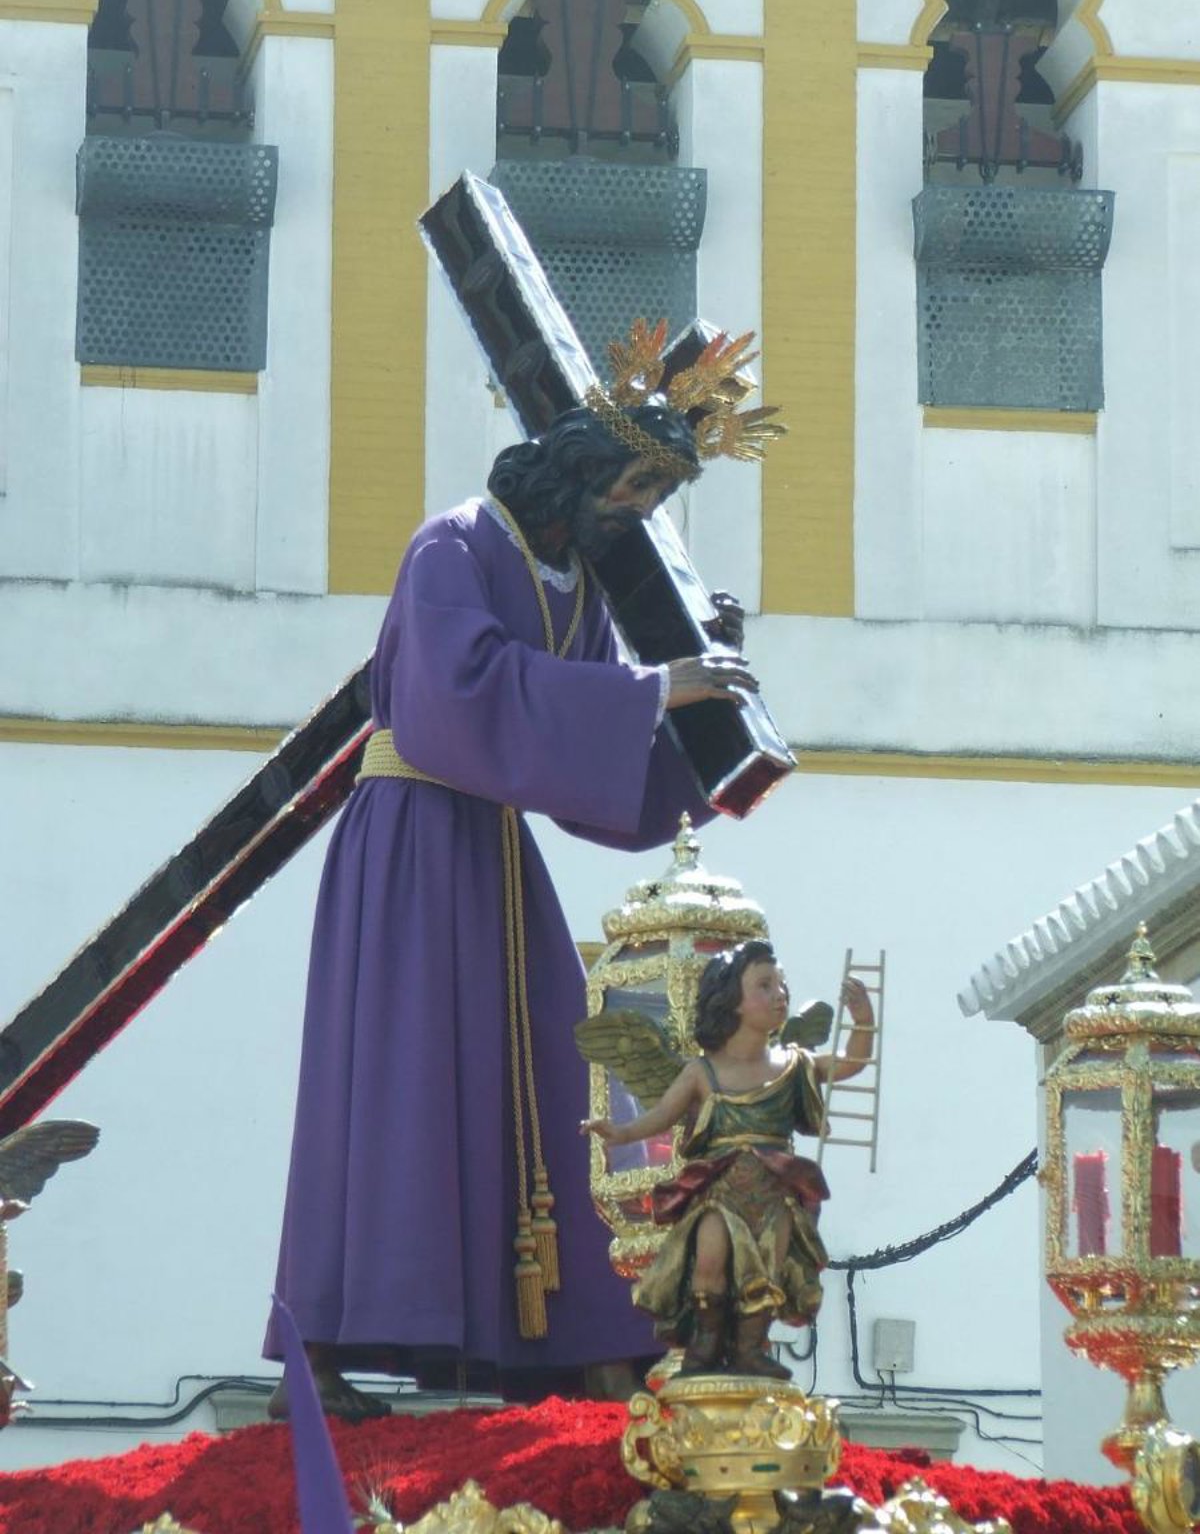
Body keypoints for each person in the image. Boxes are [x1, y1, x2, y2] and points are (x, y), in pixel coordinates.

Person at [264, 398, 761, 1419]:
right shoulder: (451, 546)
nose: (639, 511)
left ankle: (590, 1340)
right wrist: (650, 690)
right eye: (635, 487)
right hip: (409, 839)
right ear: (577, 471)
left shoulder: (579, 587)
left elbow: (581, 746)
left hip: (491, 844)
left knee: (552, 1065)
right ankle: (315, 1355)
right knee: (397, 1076)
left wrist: (698, 712)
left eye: (657, 496)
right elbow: (464, 694)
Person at [582, 939, 875, 1378]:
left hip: (775, 1194)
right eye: (764, 985)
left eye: (781, 984)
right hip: (719, 1191)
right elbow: (663, 1115)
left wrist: (863, 1020)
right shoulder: (703, 1071)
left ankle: (749, 1348)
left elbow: (851, 1063)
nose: (780, 994)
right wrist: (621, 1132)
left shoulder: (794, 1063)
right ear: (732, 1001)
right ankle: (703, 1345)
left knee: (767, 1271)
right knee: (709, 1261)